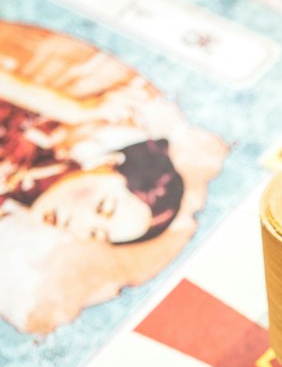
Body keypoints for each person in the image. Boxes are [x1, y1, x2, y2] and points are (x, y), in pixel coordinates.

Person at [0, 62, 184, 245]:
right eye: (103, 207)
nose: (77, 226)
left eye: (94, 233)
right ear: (107, 163)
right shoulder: (41, 129)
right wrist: (73, 110)